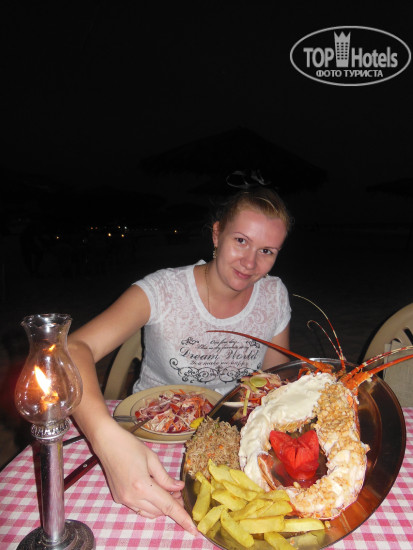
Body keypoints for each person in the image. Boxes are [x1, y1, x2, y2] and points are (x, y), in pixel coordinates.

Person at [68, 184, 292, 535]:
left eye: (267, 251)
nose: (250, 263)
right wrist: (104, 438)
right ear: (216, 234)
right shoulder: (163, 290)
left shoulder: (274, 295)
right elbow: (73, 348)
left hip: (231, 443)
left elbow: (275, 383)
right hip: (147, 441)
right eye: (241, 241)